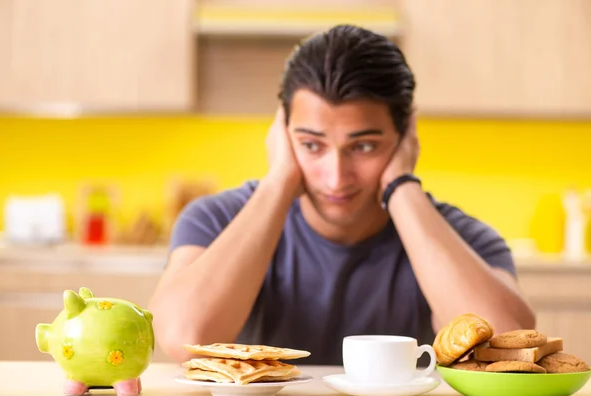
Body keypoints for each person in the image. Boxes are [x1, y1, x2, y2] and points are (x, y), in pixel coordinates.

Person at [148, 24, 536, 366]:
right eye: (312, 145)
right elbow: (184, 337)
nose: (335, 178)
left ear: (405, 136)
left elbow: (503, 353)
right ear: (282, 132)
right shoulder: (215, 219)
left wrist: (401, 188)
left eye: (364, 146)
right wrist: (280, 180)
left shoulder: (461, 236)